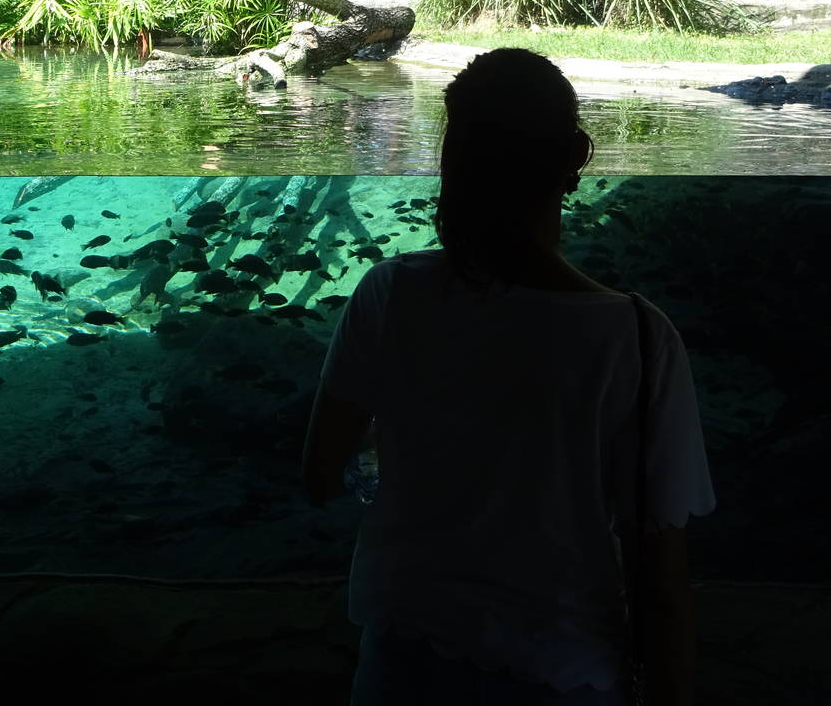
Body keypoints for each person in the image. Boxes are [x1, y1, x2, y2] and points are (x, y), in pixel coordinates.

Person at [302, 48, 715, 705]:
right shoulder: (637, 340)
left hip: (401, 668)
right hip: (562, 670)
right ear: (577, 155)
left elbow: (320, 471)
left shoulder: (388, 296)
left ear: (453, 154)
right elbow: (660, 581)